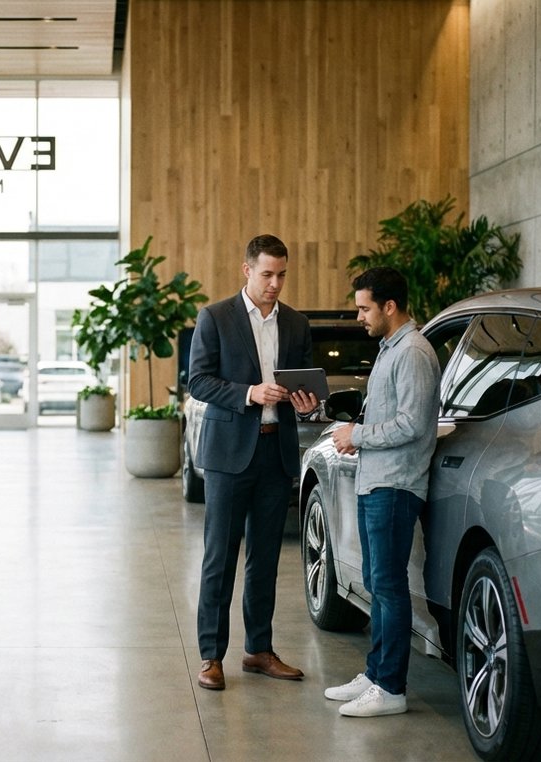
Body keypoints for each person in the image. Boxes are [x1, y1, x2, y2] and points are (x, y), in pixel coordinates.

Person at [188, 234, 320, 691]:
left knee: (265, 560)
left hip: (276, 451)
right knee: (219, 557)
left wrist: (306, 405)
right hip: (229, 455)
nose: (275, 284)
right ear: (247, 270)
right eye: (267, 274)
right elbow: (198, 381)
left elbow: (306, 386)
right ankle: (211, 656)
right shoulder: (215, 317)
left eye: (282, 275)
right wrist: (249, 393)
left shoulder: (297, 324)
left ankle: (258, 650)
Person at [325, 266, 441, 717]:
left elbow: (412, 423)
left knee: (389, 586)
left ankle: (391, 687)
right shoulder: (391, 349)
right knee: (376, 583)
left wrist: (358, 435)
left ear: (389, 306)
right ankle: (375, 673)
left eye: (364, 308)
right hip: (376, 481)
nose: (359, 317)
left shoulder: (412, 352)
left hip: (395, 485)